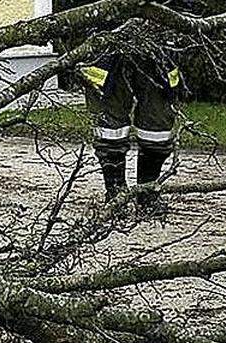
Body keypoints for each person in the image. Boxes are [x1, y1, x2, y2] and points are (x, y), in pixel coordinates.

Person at [79, 24, 185, 209]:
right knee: (108, 126)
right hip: (108, 40)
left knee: (158, 127)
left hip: (158, 42)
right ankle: (115, 192)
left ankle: (147, 191)